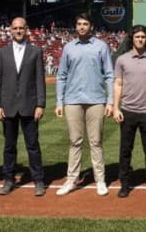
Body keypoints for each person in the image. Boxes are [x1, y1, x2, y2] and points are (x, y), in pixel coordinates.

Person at [55, 13, 114, 196]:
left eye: (85, 24)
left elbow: (109, 74)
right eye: (79, 23)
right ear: (76, 26)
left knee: (96, 142)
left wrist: (110, 100)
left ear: (91, 26)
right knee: (75, 142)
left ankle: (100, 180)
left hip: (96, 100)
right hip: (73, 101)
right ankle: (71, 180)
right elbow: (61, 75)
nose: (82, 27)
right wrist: (59, 101)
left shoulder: (101, 46)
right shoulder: (68, 48)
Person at [0, 17, 47, 197]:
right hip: (7, 106)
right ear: (10, 30)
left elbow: (40, 80)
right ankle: (8, 179)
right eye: (15, 28)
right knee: (9, 146)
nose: (18, 31)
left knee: (33, 145)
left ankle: (38, 179)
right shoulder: (1, 53)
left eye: (21, 28)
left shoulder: (35, 52)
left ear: (26, 30)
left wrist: (40, 104)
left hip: (29, 106)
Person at [112, 25, 146, 198]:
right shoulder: (122, 60)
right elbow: (118, 84)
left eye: (143, 37)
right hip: (127, 111)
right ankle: (125, 184)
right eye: (137, 37)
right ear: (132, 39)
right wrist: (115, 107)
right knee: (125, 150)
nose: (140, 39)